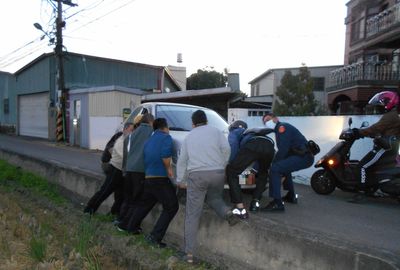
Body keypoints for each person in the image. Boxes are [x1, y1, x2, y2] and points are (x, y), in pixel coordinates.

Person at [176, 110, 238, 263]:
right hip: (217, 174)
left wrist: (180, 180)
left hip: (197, 176)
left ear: (193, 123)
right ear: (206, 121)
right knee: (214, 197)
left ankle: (189, 254)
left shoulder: (189, 137)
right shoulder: (216, 132)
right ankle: (227, 213)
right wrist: (221, 165)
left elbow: (182, 160)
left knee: (192, 215)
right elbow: (227, 150)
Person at [121, 118, 179, 248]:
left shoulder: (148, 141)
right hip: (160, 178)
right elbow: (165, 155)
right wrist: (169, 169)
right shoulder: (166, 138)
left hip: (149, 178)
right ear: (165, 127)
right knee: (171, 206)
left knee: (145, 204)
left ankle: (131, 227)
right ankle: (154, 237)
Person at [261, 113, 314, 212]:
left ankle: (277, 203)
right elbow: (285, 150)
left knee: (275, 169)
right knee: (284, 168)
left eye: (268, 120)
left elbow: (283, 150)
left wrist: (273, 163)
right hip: (303, 156)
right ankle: (291, 195)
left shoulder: (282, 127)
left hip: (303, 157)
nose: (267, 123)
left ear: (275, 118)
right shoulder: (279, 130)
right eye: (265, 122)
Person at [352, 91, 400, 195]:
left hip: (384, 147)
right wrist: (368, 133)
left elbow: (376, 128)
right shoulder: (393, 115)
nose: (379, 107)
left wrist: (358, 132)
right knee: (369, 166)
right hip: (387, 144)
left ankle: (361, 191)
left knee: (362, 166)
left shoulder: (391, 116)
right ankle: (370, 188)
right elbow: (380, 130)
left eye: (381, 104)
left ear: (389, 103)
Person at [226, 120, 275, 218]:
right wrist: (255, 170)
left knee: (231, 172)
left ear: (232, 127)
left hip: (253, 144)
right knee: (263, 173)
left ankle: (239, 208)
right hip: (270, 146)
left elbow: (234, 144)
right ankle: (255, 204)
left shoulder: (235, 131)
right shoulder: (251, 132)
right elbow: (260, 153)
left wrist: (232, 162)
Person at [84, 122, 134, 215]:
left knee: (120, 195)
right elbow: (122, 155)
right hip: (115, 169)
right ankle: (89, 210)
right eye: (131, 130)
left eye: (133, 130)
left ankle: (114, 213)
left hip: (122, 171)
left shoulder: (128, 141)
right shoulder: (121, 139)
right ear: (125, 129)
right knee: (105, 191)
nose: (132, 132)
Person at [118, 113, 154, 224]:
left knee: (128, 198)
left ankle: (120, 220)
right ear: (151, 122)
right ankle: (127, 224)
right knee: (137, 199)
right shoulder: (152, 133)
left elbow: (126, 153)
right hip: (141, 171)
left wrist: (124, 169)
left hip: (129, 170)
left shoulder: (131, 135)